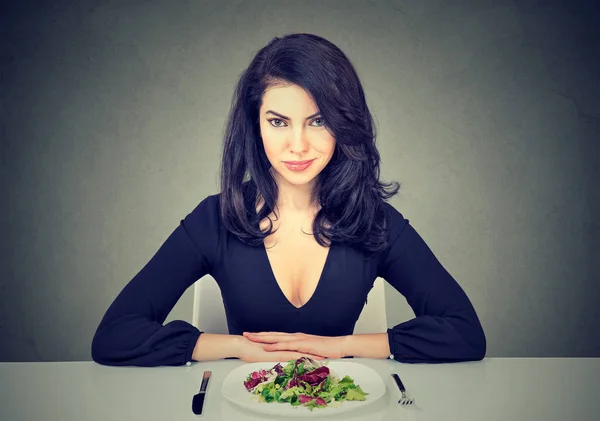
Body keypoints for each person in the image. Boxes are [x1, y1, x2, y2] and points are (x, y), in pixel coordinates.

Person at [91, 33, 486, 367]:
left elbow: (465, 333)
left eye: (318, 121)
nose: (298, 146)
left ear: (344, 124)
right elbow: (114, 336)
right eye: (278, 122)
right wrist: (237, 348)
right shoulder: (215, 218)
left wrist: (342, 347)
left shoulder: (376, 221)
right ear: (255, 125)